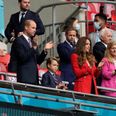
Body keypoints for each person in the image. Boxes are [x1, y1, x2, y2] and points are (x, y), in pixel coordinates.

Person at [8, 20, 53, 85]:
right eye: (33, 28)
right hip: (24, 78)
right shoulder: (19, 40)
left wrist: (45, 50)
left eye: (35, 28)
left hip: (34, 78)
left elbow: (38, 61)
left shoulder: (32, 42)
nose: (35, 30)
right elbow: (23, 58)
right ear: (26, 27)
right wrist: (33, 48)